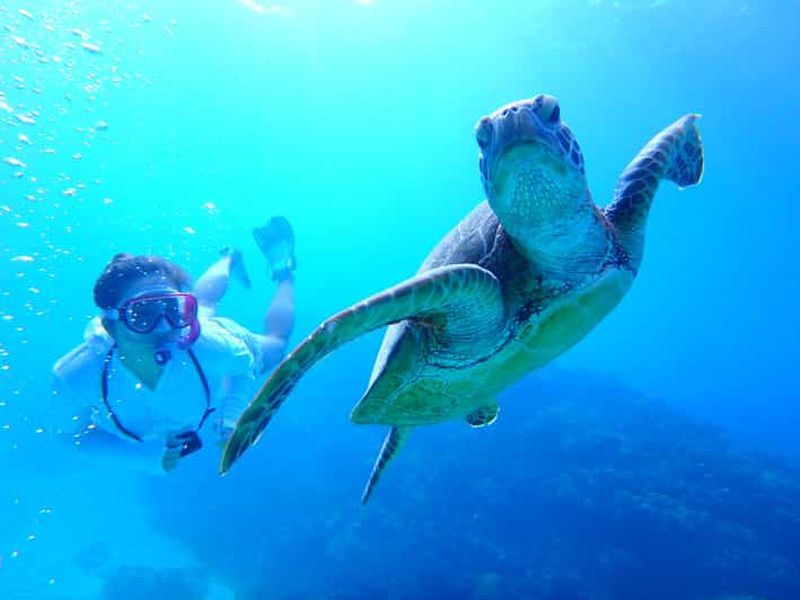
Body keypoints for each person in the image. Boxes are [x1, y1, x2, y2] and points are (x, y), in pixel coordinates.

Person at [51, 216, 296, 474]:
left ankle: (283, 270)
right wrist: (149, 459)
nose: (164, 328)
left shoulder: (209, 346)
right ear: (111, 326)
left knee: (276, 346)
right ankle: (228, 259)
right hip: (195, 342)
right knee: (204, 306)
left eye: (174, 308)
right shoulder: (75, 375)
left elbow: (242, 363)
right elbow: (73, 436)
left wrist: (232, 412)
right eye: (142, 315)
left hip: (205, 336)